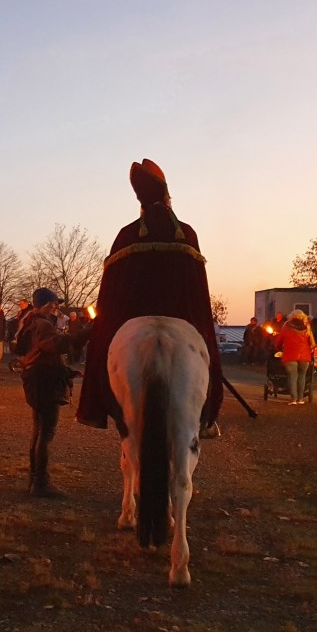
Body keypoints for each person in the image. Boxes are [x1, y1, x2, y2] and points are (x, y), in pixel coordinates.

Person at [76, 159, 223, 438]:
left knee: (104, 344)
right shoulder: (186, 233)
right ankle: (206, 418)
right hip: (181, 317)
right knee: (205, 347)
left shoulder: (127, 234)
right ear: (167, 197)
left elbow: (114, 293)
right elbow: (196, 293)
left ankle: (94, 408)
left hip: (133, 318)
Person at [16, 287, 76, 497]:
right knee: (45, 432)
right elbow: (52, 345)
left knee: (39, 429)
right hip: (44, 382)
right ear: (43, 305)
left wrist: (66, 370)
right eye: (53, 304)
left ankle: (35, 480)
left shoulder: (31, 322)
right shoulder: (41, 324)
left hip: (38, 379)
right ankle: (41, 483)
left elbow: (39, 352)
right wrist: (81, 334)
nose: (56, 308)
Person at [273, 309, 316, 405]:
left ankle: (293, 399)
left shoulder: (287, 326)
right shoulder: (307, 326)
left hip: (290, 354)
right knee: (302, 376)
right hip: (305, 355)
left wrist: (278, 348)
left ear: (291, 316)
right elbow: (312, 343)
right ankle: (300, 399)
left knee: (292, 376)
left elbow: (279, 340)